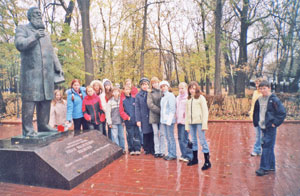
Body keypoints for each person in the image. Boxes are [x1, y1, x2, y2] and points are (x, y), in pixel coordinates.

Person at [15, 7, 64, 137]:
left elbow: (51, 51)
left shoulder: (45, 33)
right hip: (31, 74)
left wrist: (57, 66)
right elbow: (20, 44)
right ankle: (28, 130)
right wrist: (34, 37)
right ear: (30, 16)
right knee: (30, 101)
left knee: (45, 100)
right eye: (35, 14)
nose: (39, 15)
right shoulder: (23, 29)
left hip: (46, 75)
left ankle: (44, 125)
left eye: (39, 13)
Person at [254, 80, 286, 176]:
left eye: (264, 88)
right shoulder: (259, 100)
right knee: (269, 146)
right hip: (263, 126)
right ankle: (271, 166)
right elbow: (256, 112)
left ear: (269, 88)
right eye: (261, 88)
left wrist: (274, 123)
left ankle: (264, 168)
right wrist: (256, 123)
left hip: (270, 127)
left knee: (266, 146)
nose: (263, 90)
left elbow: (282, 113)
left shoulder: (274, 100)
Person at [185, 81, 210, 169]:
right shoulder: (188, 99)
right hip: (191, 123)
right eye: (190, 89)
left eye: (194, 89)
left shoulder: (201, 98)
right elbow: (187, 114)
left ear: (197, 89)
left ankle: (207, 161)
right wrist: (187, 125)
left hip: (199, 122)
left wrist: (204, 124)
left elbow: (205, 111)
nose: (192, 90)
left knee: (202, 141)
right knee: (194, 141)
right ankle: (195, 159)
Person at [119, 86, 141, 155]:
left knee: (137, 134)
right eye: (126, 89)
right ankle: (131, 149)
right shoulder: (122, 100)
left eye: (128, 89)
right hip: (128, 121)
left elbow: (137, 109)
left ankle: (137, 148)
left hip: (135, 120)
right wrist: (127, 117)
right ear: (123, 90)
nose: (127, 90)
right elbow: (121, 111)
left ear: (130, 90)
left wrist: (138, 118)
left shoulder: (134, 99)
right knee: (130, 135)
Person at [135, 77, 154, 155]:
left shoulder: (151, 93)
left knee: (152, 133)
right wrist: (138, 120)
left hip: (151, 116)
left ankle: (152, 148)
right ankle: (146, 148)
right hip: (143, 117)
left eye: (146, 84)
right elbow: (137, 108)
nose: (145, 86)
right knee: (145, 133)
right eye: (143, 85)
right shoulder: (138, 95)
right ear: (141, 86)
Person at [147, 77, 164, 158]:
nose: (155, 84)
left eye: (156, 82)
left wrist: (163, 112)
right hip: (154, 116)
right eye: (153, 83)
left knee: (162, 134)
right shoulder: (150, 93)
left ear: (158, 82)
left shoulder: (162, 91)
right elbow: (150, 104)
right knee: (156, 133)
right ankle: (157, 151)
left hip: (162, 116)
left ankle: (162, 150)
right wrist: (160, 110)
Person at [160, 81, 177, 160]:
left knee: (170, 137)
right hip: (164, 120)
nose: (163, 88)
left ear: (168, 86)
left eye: (164, 86)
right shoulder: (163, 96)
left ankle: (173, 154)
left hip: (169, 121)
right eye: (162, 87)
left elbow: (172, 109)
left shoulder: (170, 95)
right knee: (167, 137)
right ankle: (170, 153)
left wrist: (169, 120)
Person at [176, 82, 193, 162]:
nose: (181, 90)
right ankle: (183, 154)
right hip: (179, 121)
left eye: (182, 88)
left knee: (185, 138)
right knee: (180, 138)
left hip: (185, 122)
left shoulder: (188, 98)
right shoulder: (178, 98)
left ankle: (189, 155)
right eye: (179, 88)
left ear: (186, 88)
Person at [106, 87, 125, 151]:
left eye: (117, 91)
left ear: (119, 92)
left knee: (121, 136)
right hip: (113, 122)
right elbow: (108, 112)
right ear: (112, 93)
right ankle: (117, 149)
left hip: (121, 121)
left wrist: (124, 120)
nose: (116, 93)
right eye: (114, 92)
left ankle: (123, 148)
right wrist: (109, 122)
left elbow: (124, 111)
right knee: (114, 136)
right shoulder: (110, 101)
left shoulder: (122, 100)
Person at [249, 78, 262, 156]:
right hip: (255, 116)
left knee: (261, 135)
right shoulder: (255, 92)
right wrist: (251, 112)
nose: (257, 85)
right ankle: (258, 150)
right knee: (258, 134)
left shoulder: (263, 94)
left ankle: (258, 149)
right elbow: (253, 104)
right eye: (256, 84)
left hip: (262, 117)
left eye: (258, 84)